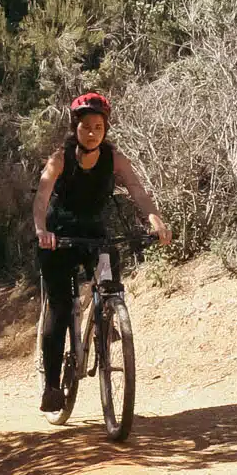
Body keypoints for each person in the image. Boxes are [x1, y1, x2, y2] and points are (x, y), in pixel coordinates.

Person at [32, 91, 171, 412]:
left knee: (109, 276)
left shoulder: (115, 158)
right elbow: (41, 197)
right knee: (61, 307)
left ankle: (107, 319)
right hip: (58, 237)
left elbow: (138, 190)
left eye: (98, 126)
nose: (92, 131)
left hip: (93, 232)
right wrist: (42, 230)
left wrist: (155, 219)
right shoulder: (61, 158)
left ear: (106, 128)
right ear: (75, 128)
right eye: (85, 126)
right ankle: (52, 387)